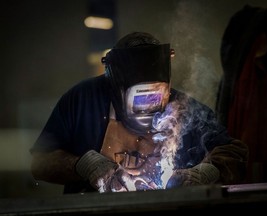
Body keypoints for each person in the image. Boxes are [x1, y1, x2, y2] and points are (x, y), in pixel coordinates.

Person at [30, 31, 248, 194]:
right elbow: (40, 163)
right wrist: (83, 165)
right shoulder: (82, 100)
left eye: (158, 95)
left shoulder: (184, 108)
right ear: (117, 89)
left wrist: (205, 173)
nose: (149, 107)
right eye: (141, 96)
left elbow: (234, 153)